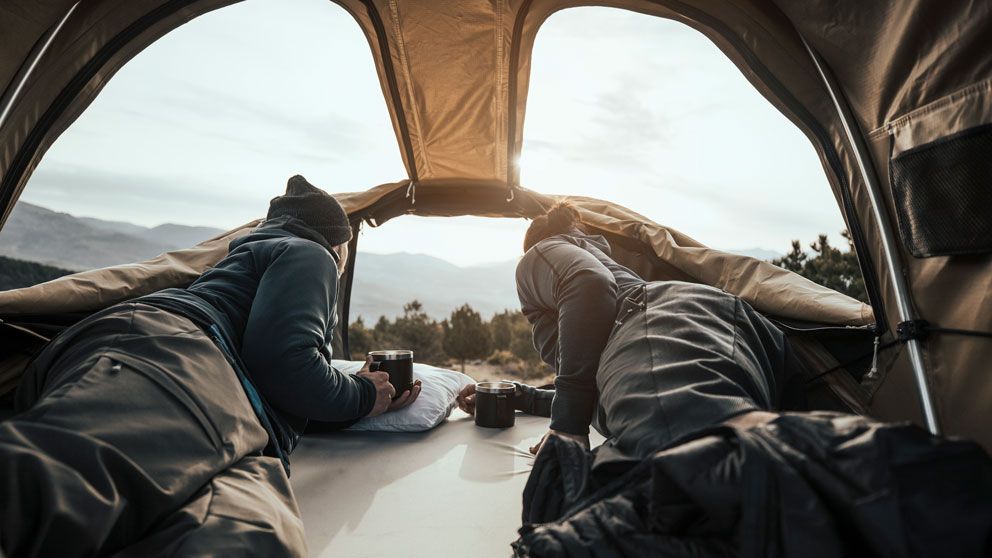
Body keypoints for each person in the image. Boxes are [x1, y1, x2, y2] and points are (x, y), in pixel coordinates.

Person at [0, 175, 420, 557]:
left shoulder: (244, 258)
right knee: (57, 485)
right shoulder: (311, 253)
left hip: (229, 415)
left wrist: (363, 399)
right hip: (176, 358)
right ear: (340, 243)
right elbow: (284, 363)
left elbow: (279, 382)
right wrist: (362, 394)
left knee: (251, 540)